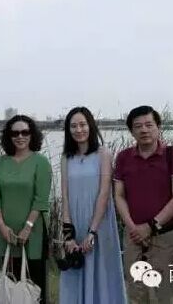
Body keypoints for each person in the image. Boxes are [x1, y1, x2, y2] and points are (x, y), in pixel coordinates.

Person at [113, 105, 173, 304]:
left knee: (167, 294)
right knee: (136, 294)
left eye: (149, 125)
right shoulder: (123, 157)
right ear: (131, 131)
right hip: (133, 236)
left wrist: (151, 226)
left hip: (165, 235)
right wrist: (133, 228)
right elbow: (119, 195)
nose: (144, 130)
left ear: (158, 127)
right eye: (138, 126)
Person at [58, 107, 126, 304]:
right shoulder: (66, 157)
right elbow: (64, 196)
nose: (79, 130)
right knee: (75, 270)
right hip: (75, 221)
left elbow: (104, 193)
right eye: (73, 126)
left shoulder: (103, 153)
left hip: (99, 222)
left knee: (101, 272)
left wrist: (92, 232)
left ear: (91, 126)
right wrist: (68, 234)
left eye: (82, 124)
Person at [0, 115, 52, 303]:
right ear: (8, 136)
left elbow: (41, 199)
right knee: (10, 284)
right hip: (6, 233)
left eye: (25, 132)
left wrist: (27, 227)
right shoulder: (2, 162)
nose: (20, 136)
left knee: (34, 286)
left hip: (33, 234)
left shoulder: (41, 162)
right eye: (15, 133)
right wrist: (1, 225)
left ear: (32, 134)